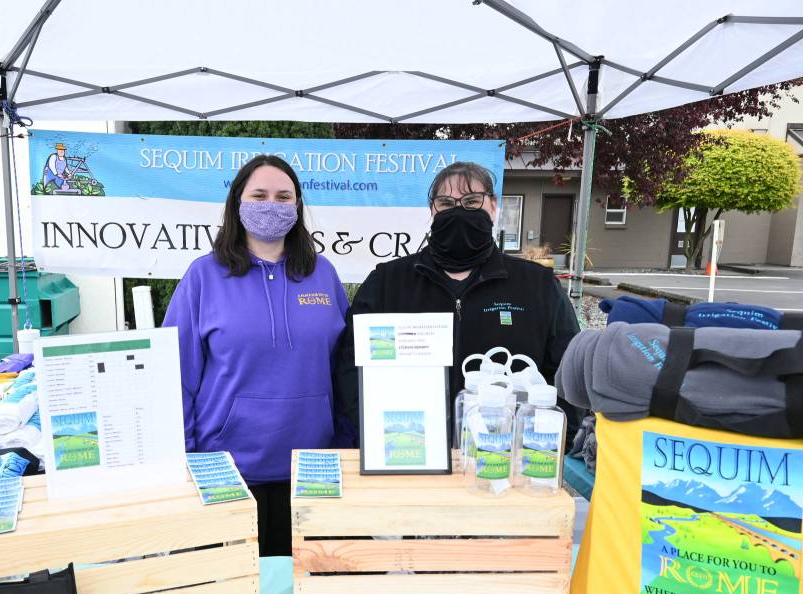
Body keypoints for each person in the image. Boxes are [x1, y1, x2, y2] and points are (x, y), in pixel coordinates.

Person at [163, 154, 348, 556]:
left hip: (312, 472)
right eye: (259, 195)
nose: (272, 205)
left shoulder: (323, 274)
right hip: (228, 473)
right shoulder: (204, 276)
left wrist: (347, 443)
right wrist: (188, 458)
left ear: (297, 208)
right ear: (238, 203)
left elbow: (344, 369)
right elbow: (174, 375)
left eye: (284, 197)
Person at [335, 161, 581, 445]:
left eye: (471, 201)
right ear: (432, 209)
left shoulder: (537, 285)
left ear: (493, 205)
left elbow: (567, 372)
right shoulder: (387, 283)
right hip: (409, 449)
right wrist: (372, 428)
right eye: (446, 203)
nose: (459, 211)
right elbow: (351, 367)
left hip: (504, 459)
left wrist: (557, 442)